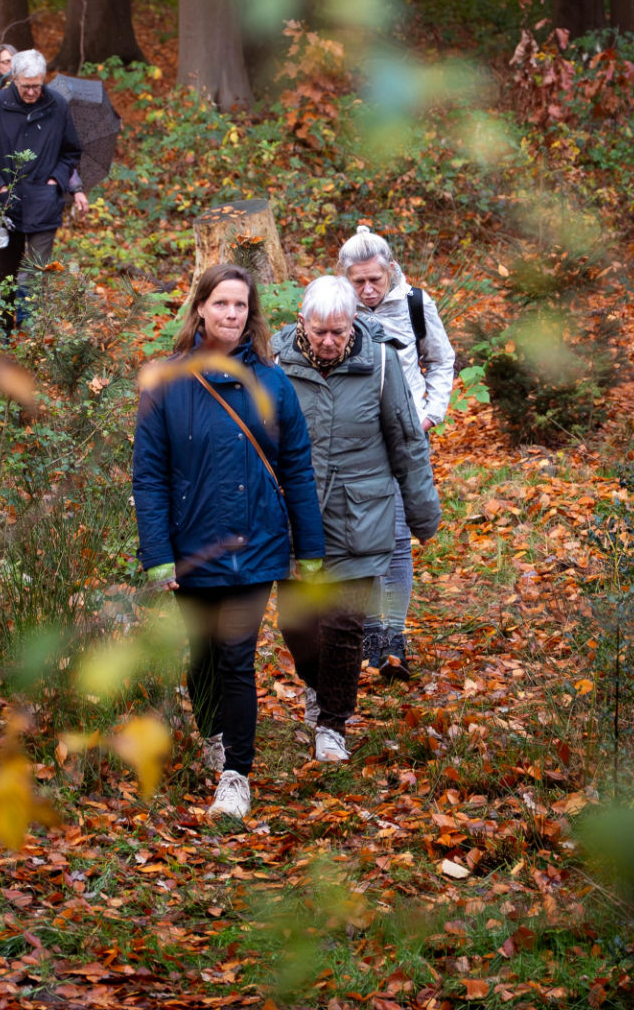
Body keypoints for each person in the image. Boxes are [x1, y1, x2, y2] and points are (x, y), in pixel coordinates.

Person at [134, 265, 325, 822]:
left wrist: (307, 548)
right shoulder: (166, 383)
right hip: (192, 546)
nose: (232, 314)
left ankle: (236, 775)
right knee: (203, 656)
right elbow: (148, 474)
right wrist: (157, 553)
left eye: (241, 306)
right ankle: (214, 734)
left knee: (237, 656)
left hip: (258, 543)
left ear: (252, 314)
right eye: (221, 304)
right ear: (199, 308)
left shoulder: (272, 381)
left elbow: (296, 467)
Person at [270, 275, 441, 762]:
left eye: (338, 332)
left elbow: (407, 442)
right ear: (302, 320)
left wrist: (424, 515)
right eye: (319, 330)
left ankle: (332, 725)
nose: (328, 341)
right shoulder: (275, 364)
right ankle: (317, 686)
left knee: (345, 625)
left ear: (354, 325)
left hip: (362, 514)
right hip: (295, 519)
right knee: (297, 625)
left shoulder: (381, 363)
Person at [338, 225, 456, 680]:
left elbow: (442, 360)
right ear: (344, 278)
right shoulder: (335, 309)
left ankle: (395, 644)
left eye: (375, 280)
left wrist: (430, 414)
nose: (367, 290)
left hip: (406, 442)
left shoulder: (414, 304)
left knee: (398, 542)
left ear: (390, 271)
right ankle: (371, 638)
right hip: (354, 446)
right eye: (358, 281)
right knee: (361, 540)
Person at [0, 49, 86, 326]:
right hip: (4, 204)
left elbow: (71, 151)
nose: (32, 92)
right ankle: (5, 332)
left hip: (45, 200)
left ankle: (34, 331)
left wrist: (56, 180)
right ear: (13, 79)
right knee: (4, 274)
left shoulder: (57, 105)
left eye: (37, 86)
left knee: (39, 271)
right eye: (25, 86)